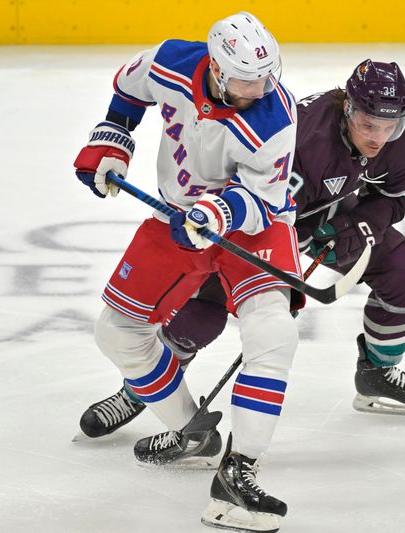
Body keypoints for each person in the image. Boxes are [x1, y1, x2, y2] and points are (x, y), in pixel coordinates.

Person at [73, 12, 300, 532]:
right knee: (117, 332)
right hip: (174, 212)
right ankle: (192, 433)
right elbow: (128, 90)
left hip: (251, 226)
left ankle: (238, 476)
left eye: (266, 77)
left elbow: (264, 198)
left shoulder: (275, 117)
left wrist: (217, 213)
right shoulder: (172, 61)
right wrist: (112, 140)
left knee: (273, 330)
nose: (258, 89)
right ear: (216, 70)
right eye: (245, 79)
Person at [152, 59, 405, 417]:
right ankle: (142, 386)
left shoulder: (400, 139)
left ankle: (376, 374)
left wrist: (361, 225)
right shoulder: (304, 144)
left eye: (389, 127)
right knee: (206, 310)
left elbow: (395, 196)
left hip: (326, 206)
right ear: (349, 108)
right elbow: (268, 213)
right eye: (369, 124)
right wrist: (280, 277)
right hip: (256, 215)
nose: (379, 137)